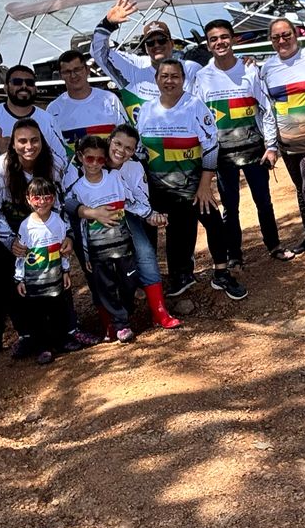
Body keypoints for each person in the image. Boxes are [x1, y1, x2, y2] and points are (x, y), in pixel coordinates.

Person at [135, 57, 246, 300]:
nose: (170, 81)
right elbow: (141, 151)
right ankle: (180, 276)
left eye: (175, 76)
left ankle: (221, 274)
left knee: (214, 223)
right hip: (159, 187)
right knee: (175, 231)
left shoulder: (194, 106)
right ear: (156, 79)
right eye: (164, 76)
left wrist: (205, 185)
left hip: (193, 186)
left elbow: (211, 146)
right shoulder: (146, 110)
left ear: (183, 79)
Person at [192, 17, 291, 264]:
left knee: (264, 201)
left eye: (224, 37)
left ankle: (274, 245)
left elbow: (266, 109)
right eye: (213, 39)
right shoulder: (202, 77)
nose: (220, 42)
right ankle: (234, 255)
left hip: (254, 151)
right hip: (222, 156)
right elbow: (197, 118)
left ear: (234, 39)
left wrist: (271, 146)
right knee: (230, 207)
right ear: (208, 45)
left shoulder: (250, 70)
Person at [0, 117, 69, 358]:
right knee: (0, 276)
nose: (29, 146)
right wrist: (11, 241)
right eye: (22, 141)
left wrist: (65, 234)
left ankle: (60, 330)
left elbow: (60, 204)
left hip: (43, 225)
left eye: (34, 140)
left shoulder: (54, 165)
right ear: (13, 144)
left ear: (42, 141)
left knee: (51, 270)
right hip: (7, 227)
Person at [251, 17, 305, 269]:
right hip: (288, 146)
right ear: (270, 40)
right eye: (276, 37)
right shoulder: (267, 69)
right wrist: (272, 145)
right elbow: (266, 109)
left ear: (296, 34)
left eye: (286, 35)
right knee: (301, 189)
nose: (282, 41)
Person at [65, 134, 148, 342]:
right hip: (97, 250)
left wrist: (150, 214)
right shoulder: (78, 189)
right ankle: (121, 325)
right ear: (80, 157)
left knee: (130, 282)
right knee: (106, 287)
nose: (94, 164)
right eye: (89, 158)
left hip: (123, 245)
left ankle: (125, 312)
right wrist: (86, 256)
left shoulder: (115, 178)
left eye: (100, 159)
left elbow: (132, 201)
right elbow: (74, 217)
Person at [106, 122, 182, 329]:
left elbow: (141, 200)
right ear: (109, 141)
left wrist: (151, 216)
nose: (121, 151)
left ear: (133, 151)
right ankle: (111, 319)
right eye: (117, 144)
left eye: (128, 148)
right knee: (104, 264)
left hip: (127, 214)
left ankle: (159, 311)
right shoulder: (95, 160)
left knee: (145, 252)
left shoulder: (134, 167)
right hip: (94, 219)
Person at [90, 0, 202, 119]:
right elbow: (98, 53)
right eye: (150, 42)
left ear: (172, 43)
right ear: (145, 47)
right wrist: (107, 24)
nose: (156, 45)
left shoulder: (191, 69)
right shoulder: (133, 67)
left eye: (161, 40)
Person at [13, 176, 74, 364]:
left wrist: (66, 271)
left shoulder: (58, 221)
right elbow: (21, 255)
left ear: (53, 199)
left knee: (58, 311)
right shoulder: (26, 226)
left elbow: (64, 250)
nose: (42, 202)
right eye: (37, 198)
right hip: (34, 282)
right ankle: (43, 347)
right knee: (37, 316)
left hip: (55, 279)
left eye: (47, 197)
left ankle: (62, 341)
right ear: (28, 199)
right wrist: (19, 279)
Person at [46, 50, 127, 158]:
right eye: (67, 72)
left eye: (77, 69)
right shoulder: (53, 110)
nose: (73, 75)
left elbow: (126, 137)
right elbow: (51, 149)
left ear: (87, 70)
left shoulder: (110, 100)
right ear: (60, 75)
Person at [0, 65, 60, 163]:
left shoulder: (48, 120)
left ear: (35, 88)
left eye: (29, 83)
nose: (24, 86)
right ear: (6, 88)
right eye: (17, 82)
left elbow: (62, 159)